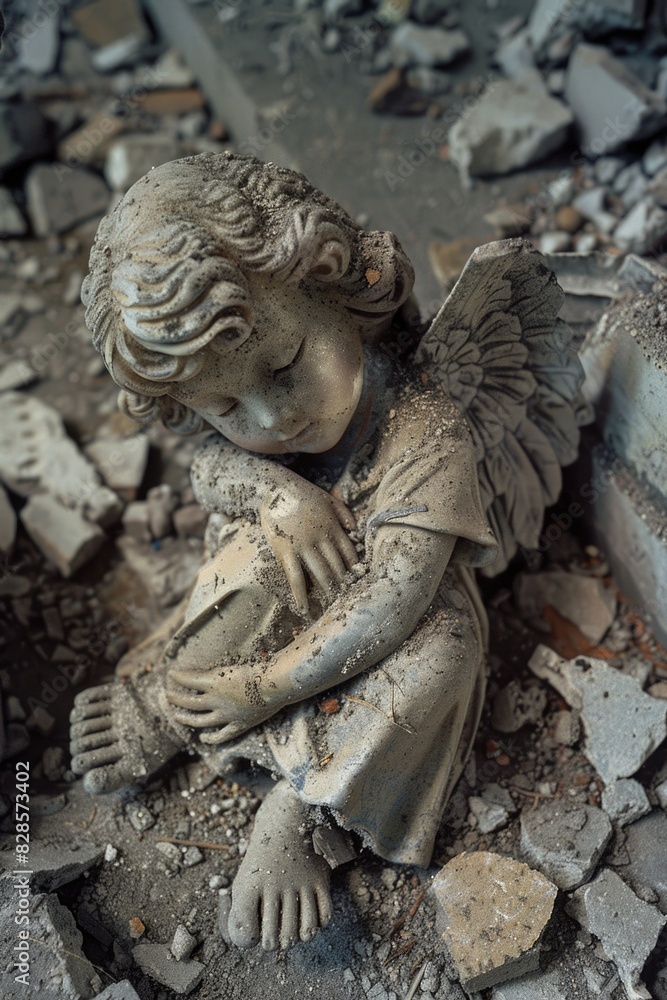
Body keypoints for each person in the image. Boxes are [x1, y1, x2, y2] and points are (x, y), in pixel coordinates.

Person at [70, 152, 579, 953]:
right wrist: (275, 493)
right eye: (224, 405)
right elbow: (209, 469)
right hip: (294, 585)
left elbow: (395, 599)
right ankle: (178, 703)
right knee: (254, 559)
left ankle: (305, 805)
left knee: (444, 654)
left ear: (334, 284)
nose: (272, 419)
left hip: (393, 614)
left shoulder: (426, 427)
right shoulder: (261, 432)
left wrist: (266, 686)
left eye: (283, 365)